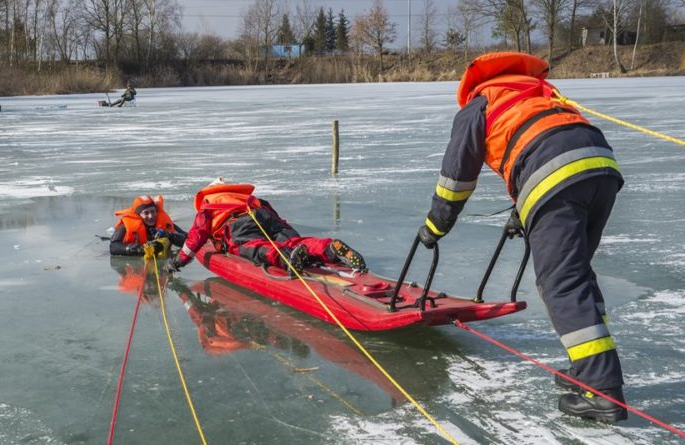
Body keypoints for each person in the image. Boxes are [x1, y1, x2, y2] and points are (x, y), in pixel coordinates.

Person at [417, 52, 626, 422]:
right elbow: (544, 141)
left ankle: (602, 390)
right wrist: (522, 212)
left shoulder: (480, 103)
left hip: (557, 175)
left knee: (562, 283)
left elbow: (457, 177)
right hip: (601, 168)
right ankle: (590, 371)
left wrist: (435, 225)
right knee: (577, 275)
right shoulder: (538, 92)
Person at [166, 178, 366, 277]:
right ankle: (328, 248)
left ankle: (287, 258)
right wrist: (288, 234)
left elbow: (196, 236)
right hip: (264, 215)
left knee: (254, 247)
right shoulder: (246, 198)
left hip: (237, 226)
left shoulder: (209, 205)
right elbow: (274, 216)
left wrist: (178, 262)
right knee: (294, 242)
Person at [110, 194, 186, 256]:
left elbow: (188, 239)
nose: (151, 216)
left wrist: (169, 236)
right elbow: (113, 247)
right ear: (138, 215)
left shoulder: (165, 223)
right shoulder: (126, 226)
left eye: (153, 211)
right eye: (146, 213)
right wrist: (140, 249)